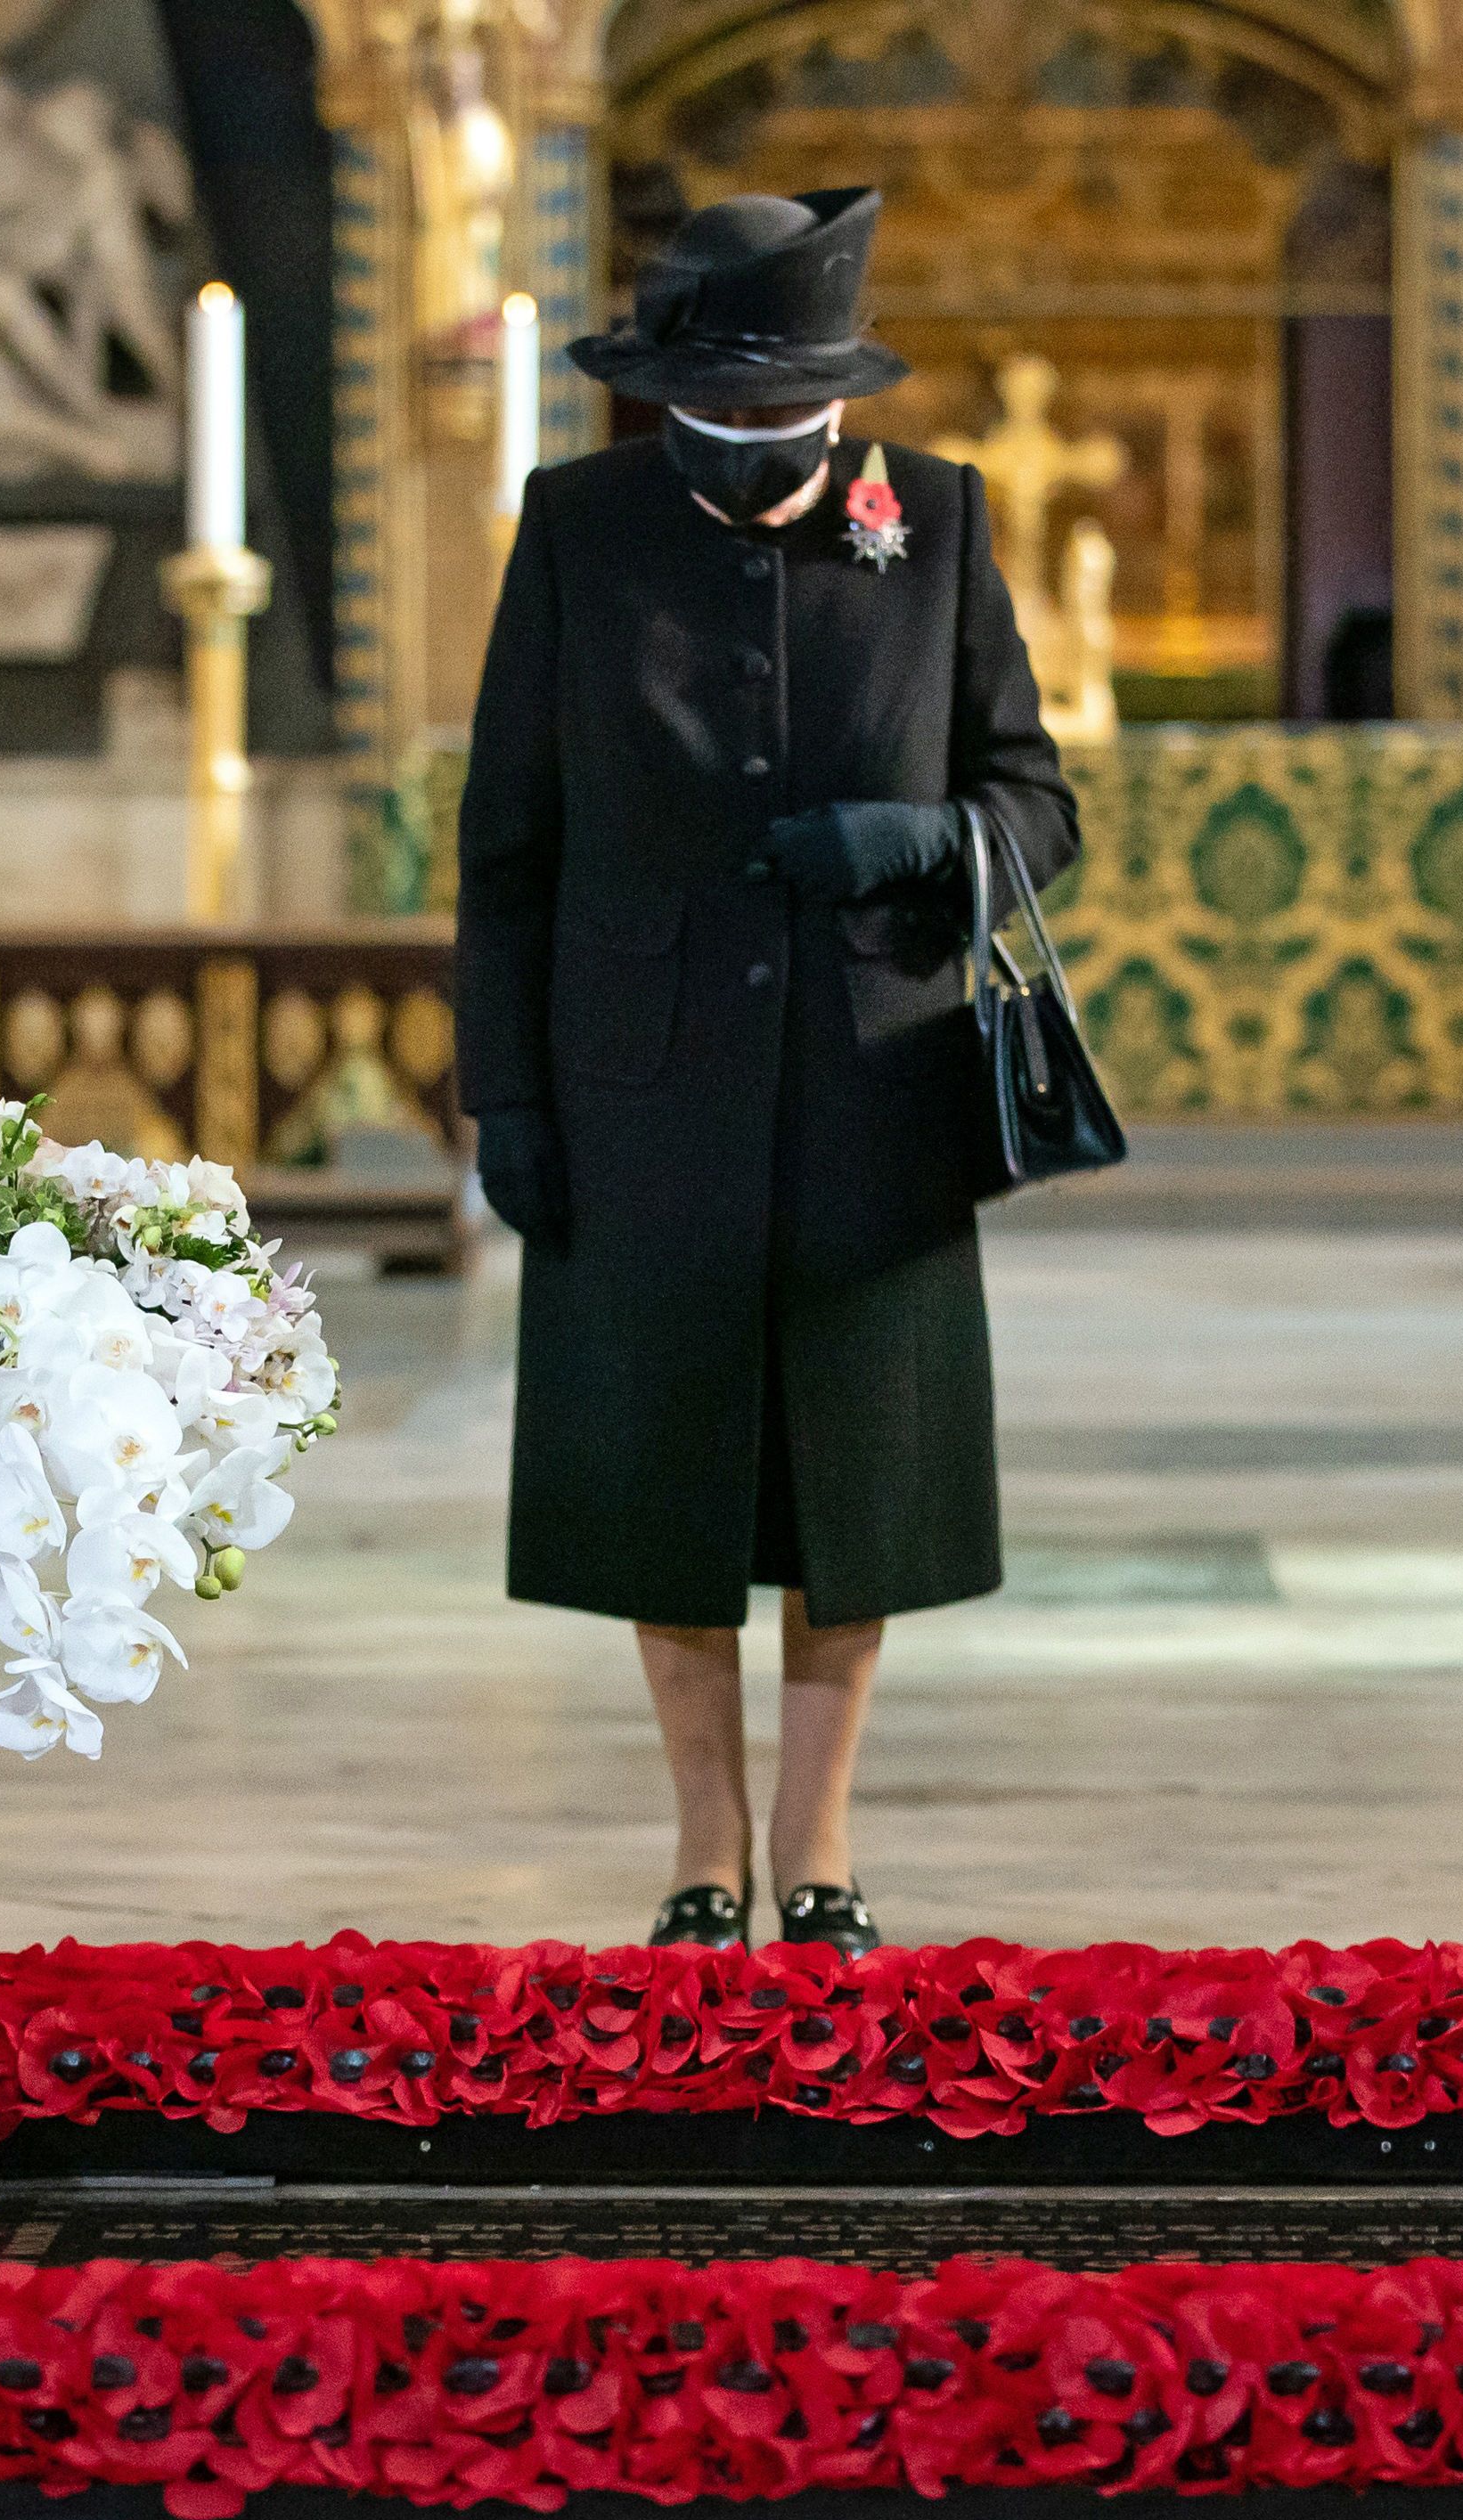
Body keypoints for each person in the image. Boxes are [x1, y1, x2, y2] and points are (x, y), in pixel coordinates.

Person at [454, 190, 1075, 1959]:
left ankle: (819, 1853)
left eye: (780, 434)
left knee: (850, 1495)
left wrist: (918, 837)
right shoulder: (575, 527)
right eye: (715, 433)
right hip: (633, 1090)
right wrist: (504, 1092)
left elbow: (1038, 801)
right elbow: (506, 841)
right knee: (660, 1487)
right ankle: (700, 1850)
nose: (751, 465)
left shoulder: (936, 520)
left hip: (872, 1086)